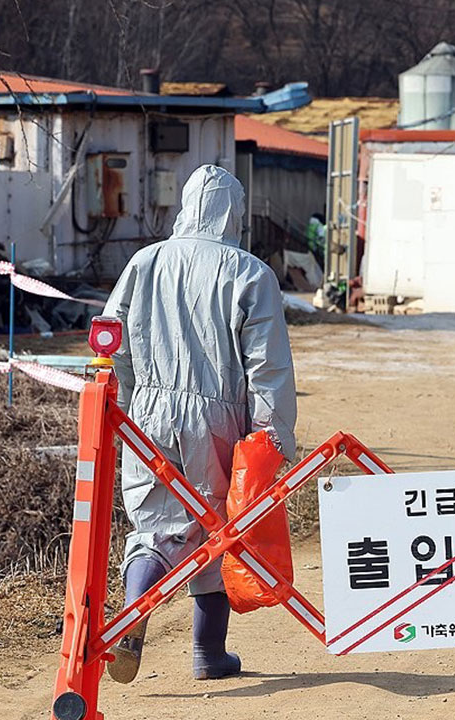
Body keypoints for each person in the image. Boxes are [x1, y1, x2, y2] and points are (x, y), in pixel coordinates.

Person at [102, 164, 297, 683]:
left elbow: (111, 338)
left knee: (155, 524)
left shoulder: (144, 263)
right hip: (218, 418)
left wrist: (127, 397)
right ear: (233, 212)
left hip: (146, 413)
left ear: (185, 205)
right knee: (219, 528)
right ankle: (207, 654)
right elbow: (267, 365)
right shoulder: (250, 273)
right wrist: (271, 436)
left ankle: (131, 616)